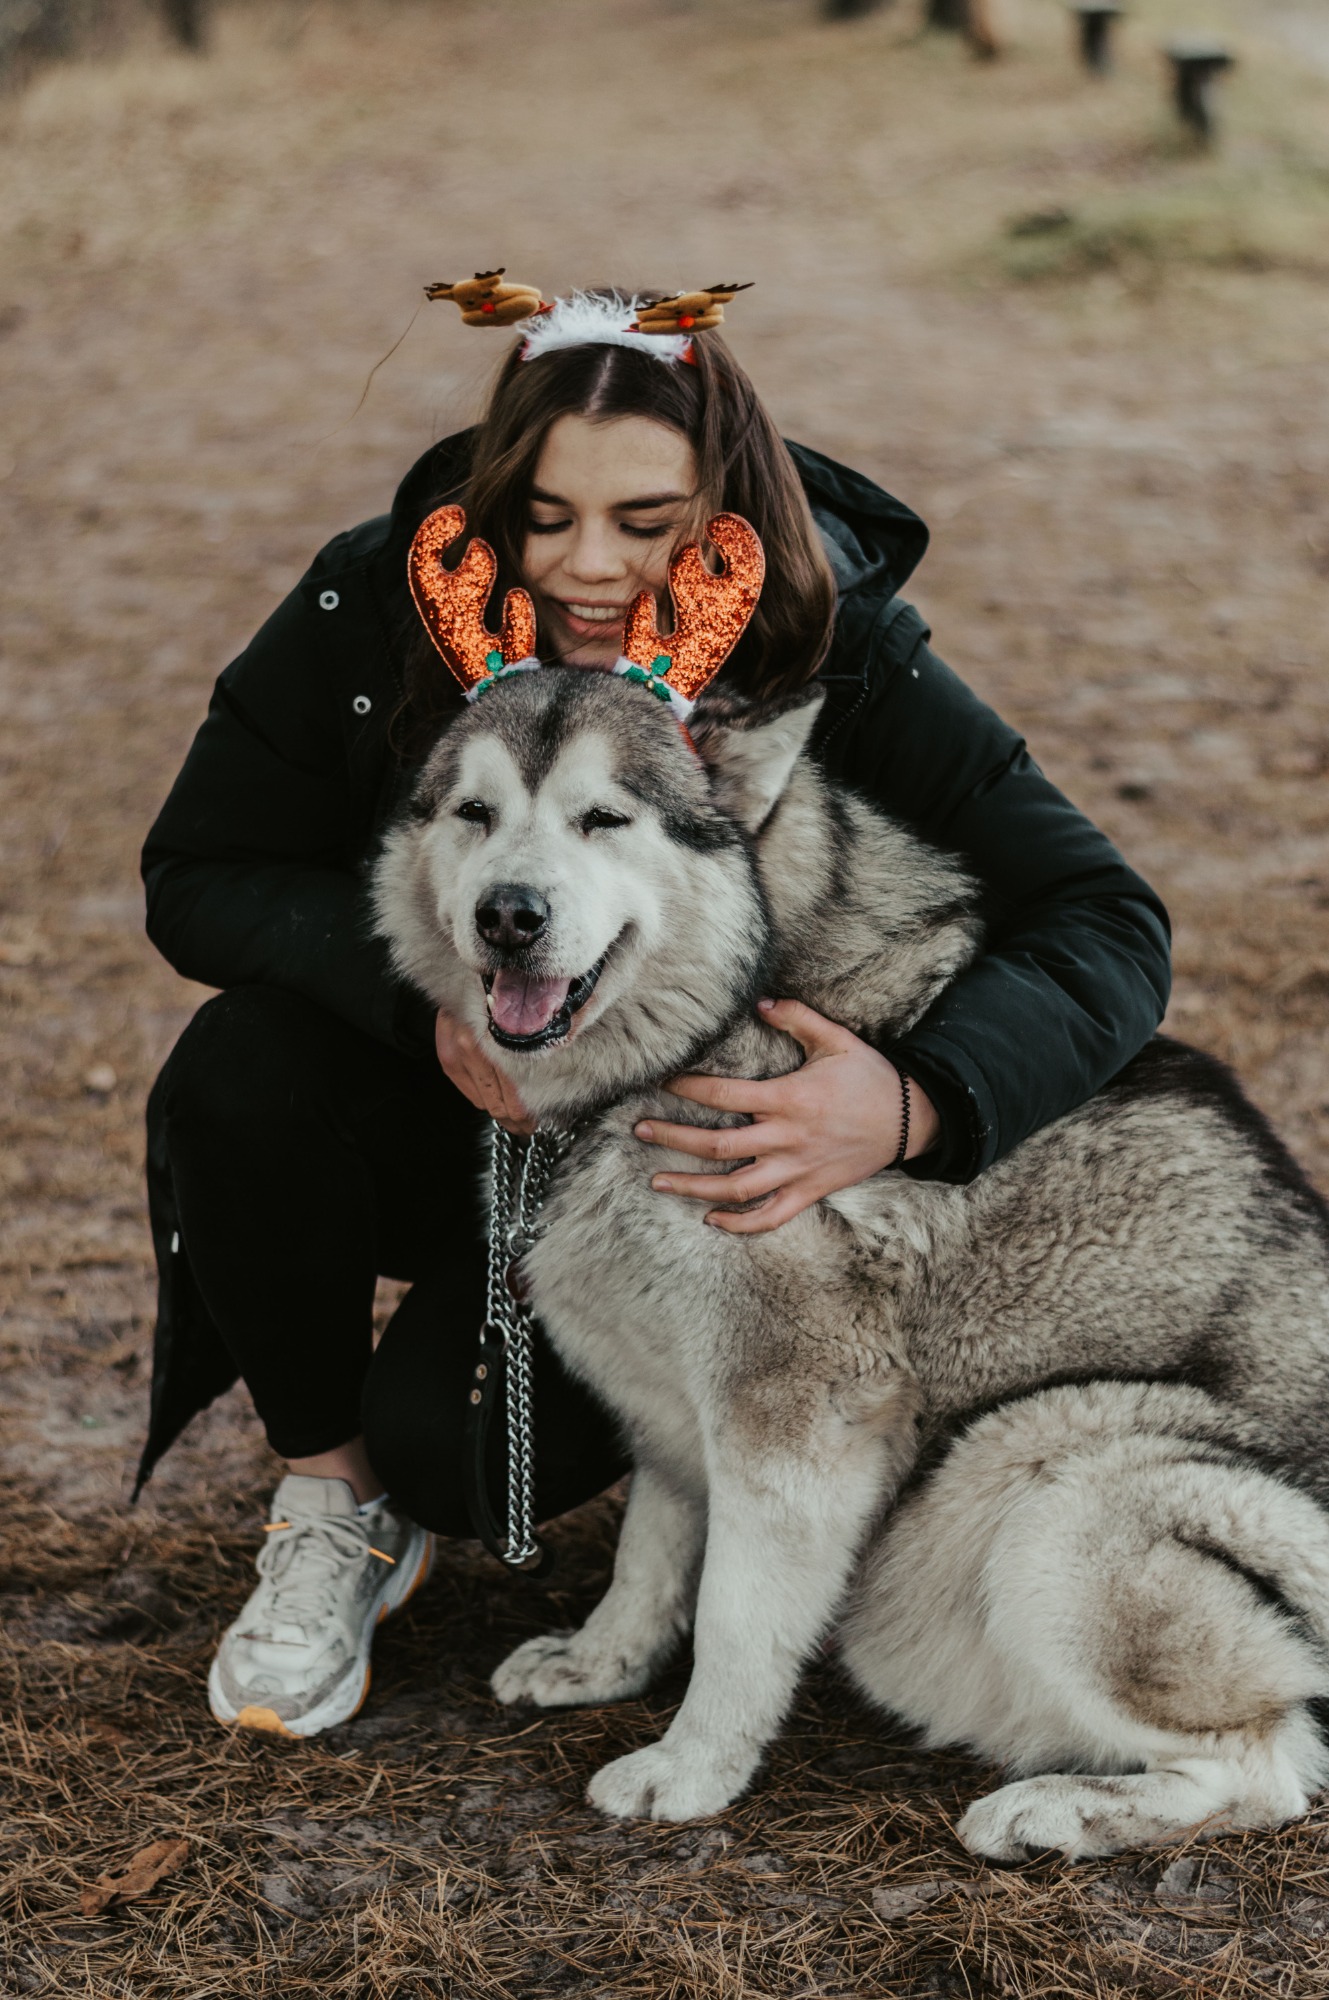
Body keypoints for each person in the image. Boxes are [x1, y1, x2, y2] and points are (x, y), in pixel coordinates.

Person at [137, 283, 1170, 1738]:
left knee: (462, 1455)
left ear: (726, 503)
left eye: (646, 519)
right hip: (444, 1121)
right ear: (497, 491)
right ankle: (331, 1500)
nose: (589, 567)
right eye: (546, 515)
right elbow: (198, 870)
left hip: (675, 1173)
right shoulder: (378, 601)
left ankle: (536, 1479)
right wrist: (414, 1005)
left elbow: (1104, 919)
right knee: (237, 1070)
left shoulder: (829, 630)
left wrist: (916, 1096)